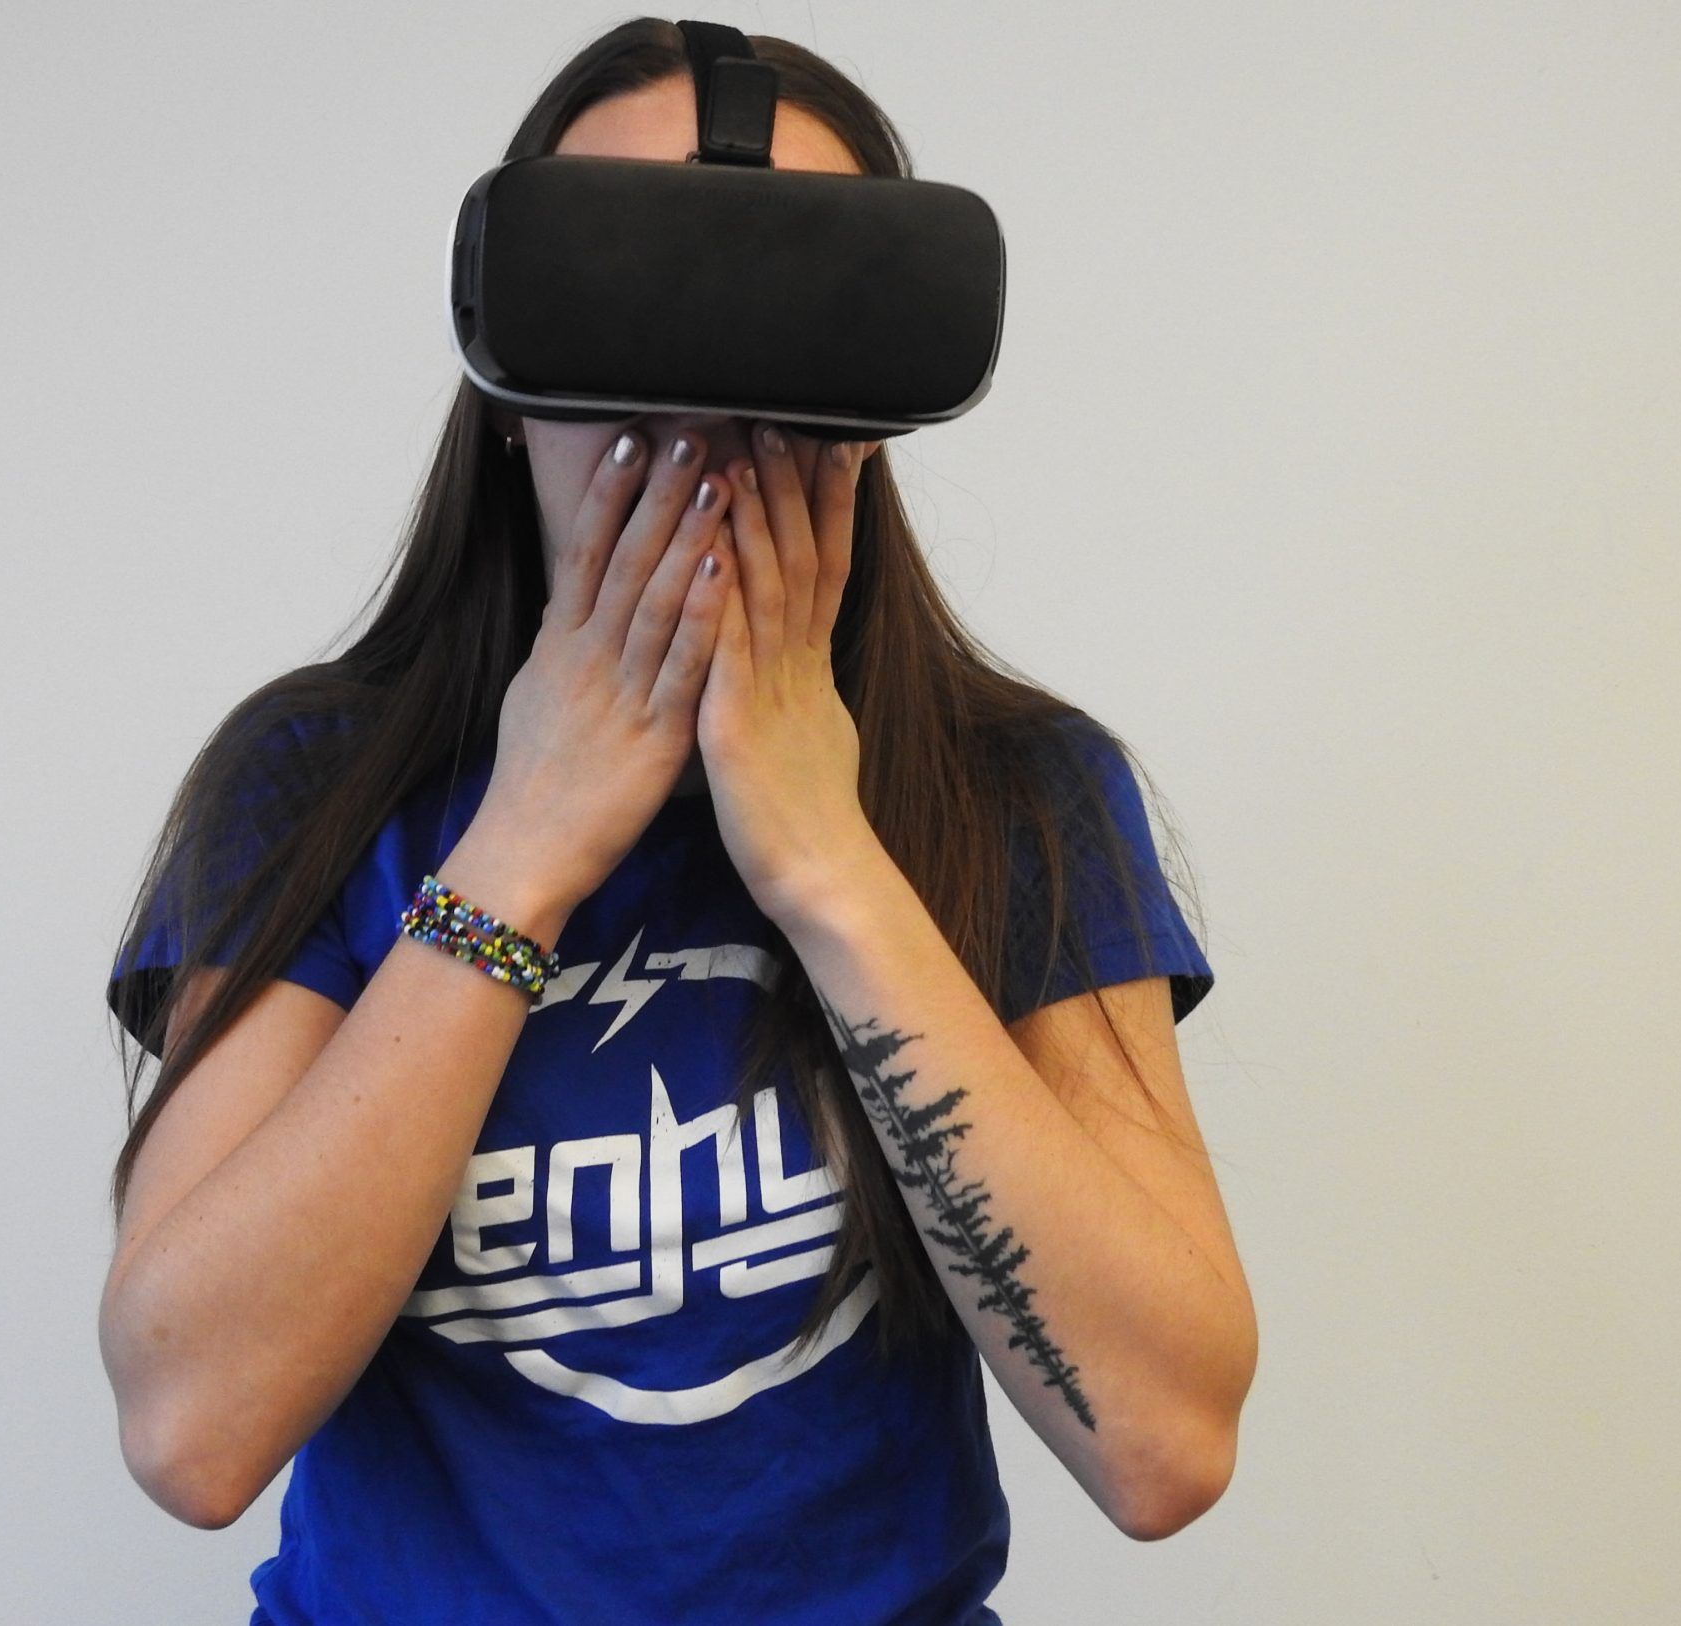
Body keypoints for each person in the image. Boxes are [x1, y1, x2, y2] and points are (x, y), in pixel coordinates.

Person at [97, 19, 1256, 1624]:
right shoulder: (312, 783)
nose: (701, 438)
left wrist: (830, 863)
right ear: (507, 391)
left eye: (790, 337)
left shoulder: (1012, 794)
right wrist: (527, 842)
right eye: (627, 306)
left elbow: (1165, 1441)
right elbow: (189, 1427)